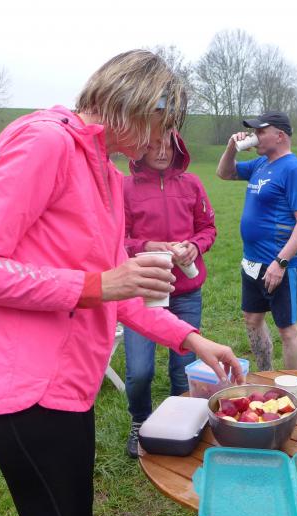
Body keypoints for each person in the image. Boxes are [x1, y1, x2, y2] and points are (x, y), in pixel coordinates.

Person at [0, 50, 243, 516]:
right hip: (22, 391)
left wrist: (191, 339)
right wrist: (95, 285)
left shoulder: (106, 174)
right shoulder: (46, 143)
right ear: (136, 104)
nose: (163, 140)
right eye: (164, 124)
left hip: (70, 386)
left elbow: (119, 290)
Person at [122, 130, 217, 457]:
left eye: (167, 146)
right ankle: (140, 421)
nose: (162, 152)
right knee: (139, 371)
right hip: (144, 290)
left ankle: (181, 425)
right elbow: (118, 238)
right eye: (153, 145)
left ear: (178, 149)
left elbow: (208, 228)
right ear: (140, 149)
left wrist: (195, 246)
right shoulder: (126, 188)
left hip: (186, 291)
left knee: (183, 367)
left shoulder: (191, 184)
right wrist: (147, 245)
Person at [216, 112, 297, 371]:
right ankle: (265, 374)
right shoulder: (260, 164)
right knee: (252, 319)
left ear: (280, 136)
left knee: (287, 330)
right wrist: (231, 147)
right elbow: (224, 173)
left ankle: (292, 386)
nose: (255, 136)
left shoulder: (294, 169)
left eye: (261, 132)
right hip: (251, 261)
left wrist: (280, 263)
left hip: (279, 265)